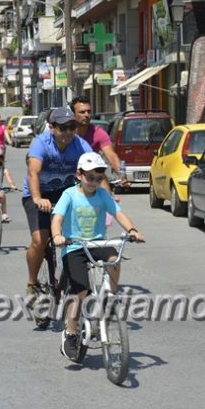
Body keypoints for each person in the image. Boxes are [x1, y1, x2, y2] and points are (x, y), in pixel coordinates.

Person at [51, 152, 145, 359]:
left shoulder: (103, 195)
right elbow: (57, 218)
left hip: (98, 243)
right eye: (89, 177)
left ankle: (109, 298)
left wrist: (132, 231)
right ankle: (71, 333)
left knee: (114, 259)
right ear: (79, 175)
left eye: (98, 178)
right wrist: (57, 235)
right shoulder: (69, 195)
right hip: (74, 246)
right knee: (81, 292)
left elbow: (118, 213)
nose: (93, 182)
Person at [23, 107, 93, 299]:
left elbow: (96, 171)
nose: (69, 132)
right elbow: (33, 173)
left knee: (81, 237)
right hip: (38, 194)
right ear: (52, 127)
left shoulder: (80, 145)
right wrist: (37, 198)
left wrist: (106, 197)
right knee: (40, 240)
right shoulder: (41, 143)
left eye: (72, 127)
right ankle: (32, 282)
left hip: (65, 194)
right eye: (63, 128)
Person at [70, 96, 125, 185]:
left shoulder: (98, 133)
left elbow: (111, 155)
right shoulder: (67, 133)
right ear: (73, 114)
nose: (86, 115)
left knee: (106, 190)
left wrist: (122, 176)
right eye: (82, 112)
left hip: (90, 179)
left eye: (89, 111)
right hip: (68, 179)